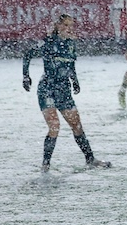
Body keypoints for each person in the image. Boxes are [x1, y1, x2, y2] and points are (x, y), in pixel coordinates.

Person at [21, 15, 109, 172]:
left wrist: (75, 80)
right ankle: (45, 165)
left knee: (76, 125)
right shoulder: (48, 41)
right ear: (58, 26)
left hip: (63, 89)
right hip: (47, 88)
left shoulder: (70, 44)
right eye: (66, 25)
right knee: (54, 126)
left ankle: (90, 159)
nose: (70, 28)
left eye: (71, 25)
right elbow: (28, 54)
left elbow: (71, 65)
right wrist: (26, 76)